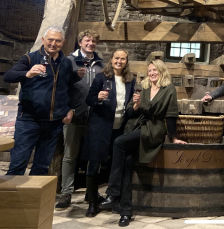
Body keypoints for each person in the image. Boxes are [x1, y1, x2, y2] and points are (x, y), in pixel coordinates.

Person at [100, 59, 186, 227]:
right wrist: (136, 105)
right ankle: (125, 212)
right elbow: (131, 111)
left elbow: (170, 114)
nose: (152, 73)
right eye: (150, 70)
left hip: (153, 130)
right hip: (138, 127)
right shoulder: (144, 87)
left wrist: (173, 137)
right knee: (127, 163)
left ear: (162, 72)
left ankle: (113, 192)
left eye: (155, 70)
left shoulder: (168, 89)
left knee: (118, 142)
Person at [4, 26, 83, 175]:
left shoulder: (65, 63)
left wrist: (70, 108)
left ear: (63, 42)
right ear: (43, 40)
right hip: (29, 120)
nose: (53, 44)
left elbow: (70, 88)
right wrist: (27, 73)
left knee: (41, 167)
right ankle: (11, 198)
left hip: (53, 124)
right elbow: (8, 76)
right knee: (18, 165)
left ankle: (34, 199)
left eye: (58, 41)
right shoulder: (30, 58)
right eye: (50, 40)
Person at [81, 49, 135, 217]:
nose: (119, 61)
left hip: (119, 128)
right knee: (94, 162)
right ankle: (92, 202)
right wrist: (97, 97)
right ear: (111, 60)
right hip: (100, 127)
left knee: (115, 164)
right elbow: (89, 100)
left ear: (126, 62)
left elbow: (129, 104)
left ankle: (113, 198)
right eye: (116, 58)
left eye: (123, 59)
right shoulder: (101, 77)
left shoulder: (130, 80)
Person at [56, 29, 104, 209]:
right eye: (87, 40)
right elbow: (61, 88)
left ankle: (90, 192)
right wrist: (67, 109)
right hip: (74, 114)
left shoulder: (100, 64)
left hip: (95, 116)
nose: (90, 43)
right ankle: (66, 192)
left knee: (94, 155)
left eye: (93, 41)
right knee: (70, 155)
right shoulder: (69, 61)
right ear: (80, 42)